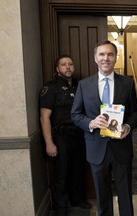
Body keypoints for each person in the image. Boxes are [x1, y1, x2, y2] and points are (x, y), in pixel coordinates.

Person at [71, 40, 137, 216]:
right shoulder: (84, 85)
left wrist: (128, 127)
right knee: (102, 195)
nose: (106, 58)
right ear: (95, 58)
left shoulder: (127, 83)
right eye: (102, 54)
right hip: (96, 148)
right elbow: (75, 115)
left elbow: (135, 114)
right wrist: (91, 123)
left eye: (110, 54)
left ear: (116, 58)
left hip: (121, 147)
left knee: (125, 194)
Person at [39, 54, 92, 216]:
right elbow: (44, 117)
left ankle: (77, 198)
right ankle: (61, 206)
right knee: (61, 172)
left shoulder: (80, 86)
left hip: (79, 135)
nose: (67, 67)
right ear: (57, 69)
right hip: (61, 136)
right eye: (63, 64)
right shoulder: (50, 88)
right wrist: (49, 143)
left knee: (78, 169)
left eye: (70, 64)